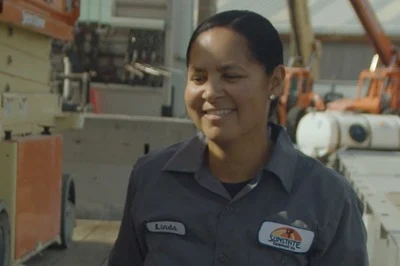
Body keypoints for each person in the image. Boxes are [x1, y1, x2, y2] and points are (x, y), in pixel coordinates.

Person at [107, 10, 368, 266]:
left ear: (275, 81)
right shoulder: (151, 179)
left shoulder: (328, 198)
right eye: (198, 77)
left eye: (231, 76)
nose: (210, 92)